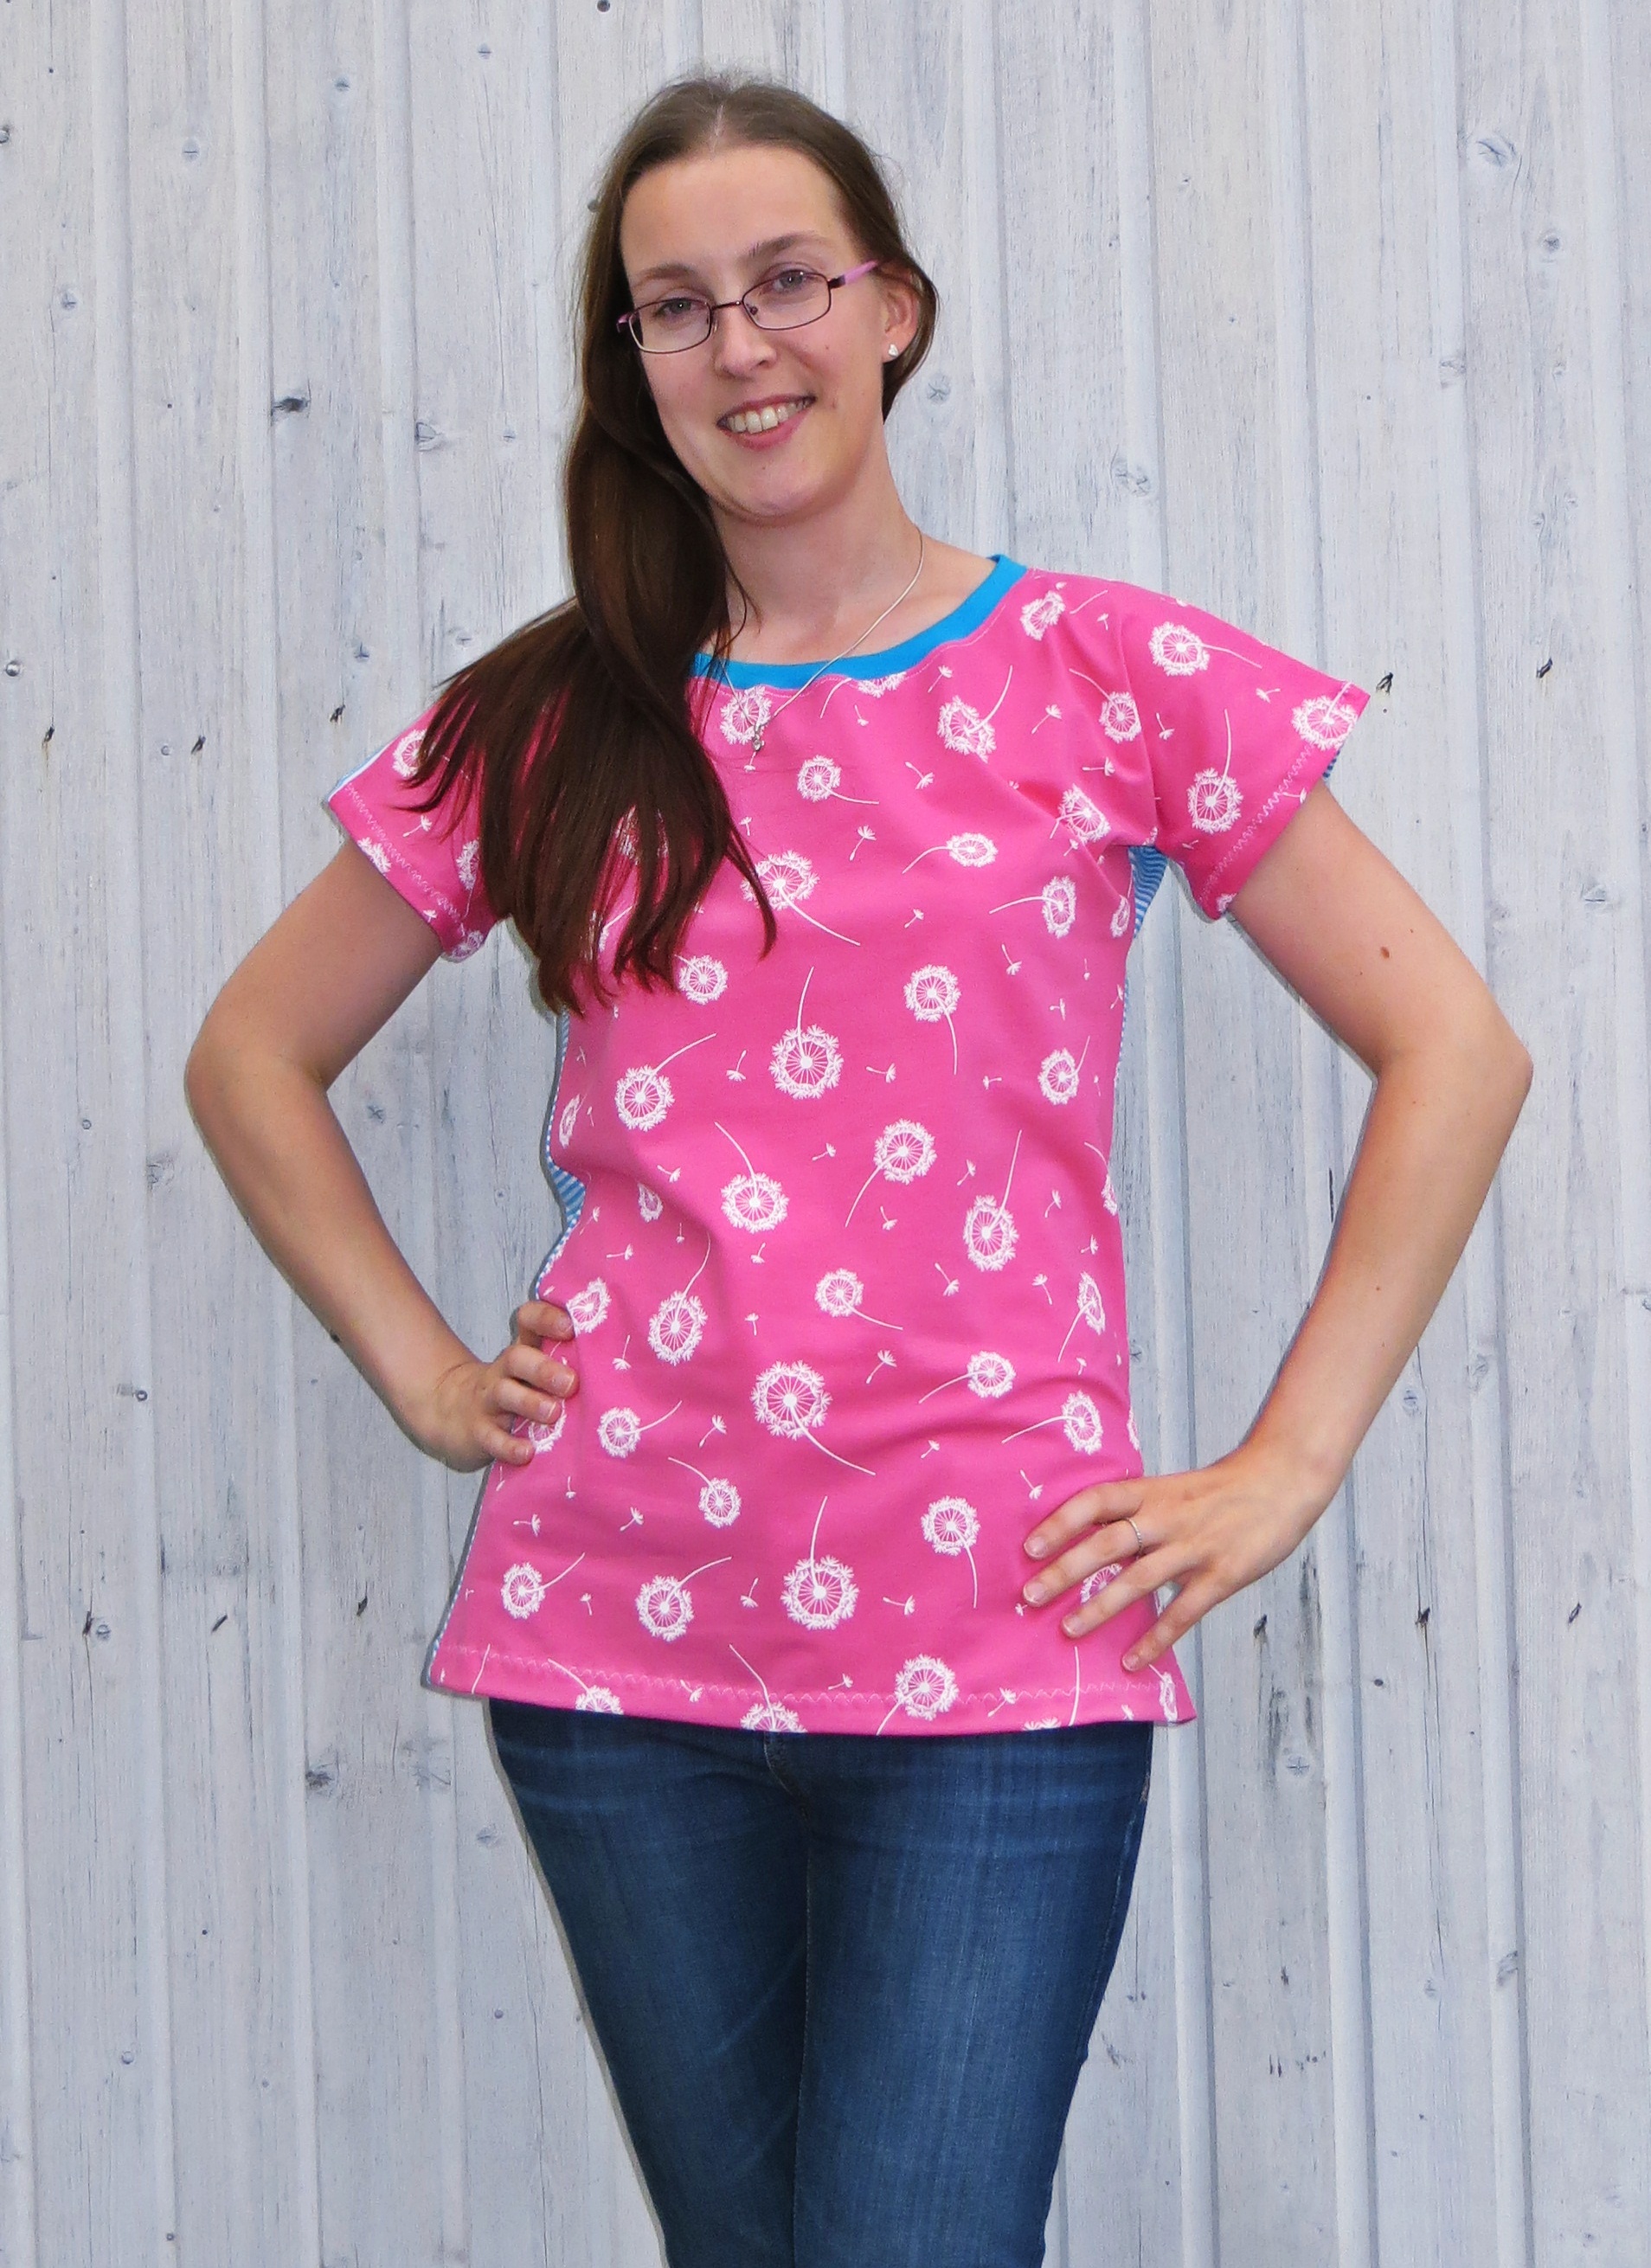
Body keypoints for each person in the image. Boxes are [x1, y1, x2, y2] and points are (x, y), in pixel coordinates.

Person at [184, 70, 1531, 2268]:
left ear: (894, 308)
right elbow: (253, 1053)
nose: (744, 345)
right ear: (634, 361)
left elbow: (1454, 1049)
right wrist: (431, 1377)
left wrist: (1287, 1464)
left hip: (1001, 1641)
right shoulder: (559, 716)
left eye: (790, 281)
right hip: (621, 1646)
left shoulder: (1108, 673)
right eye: (677, 306)